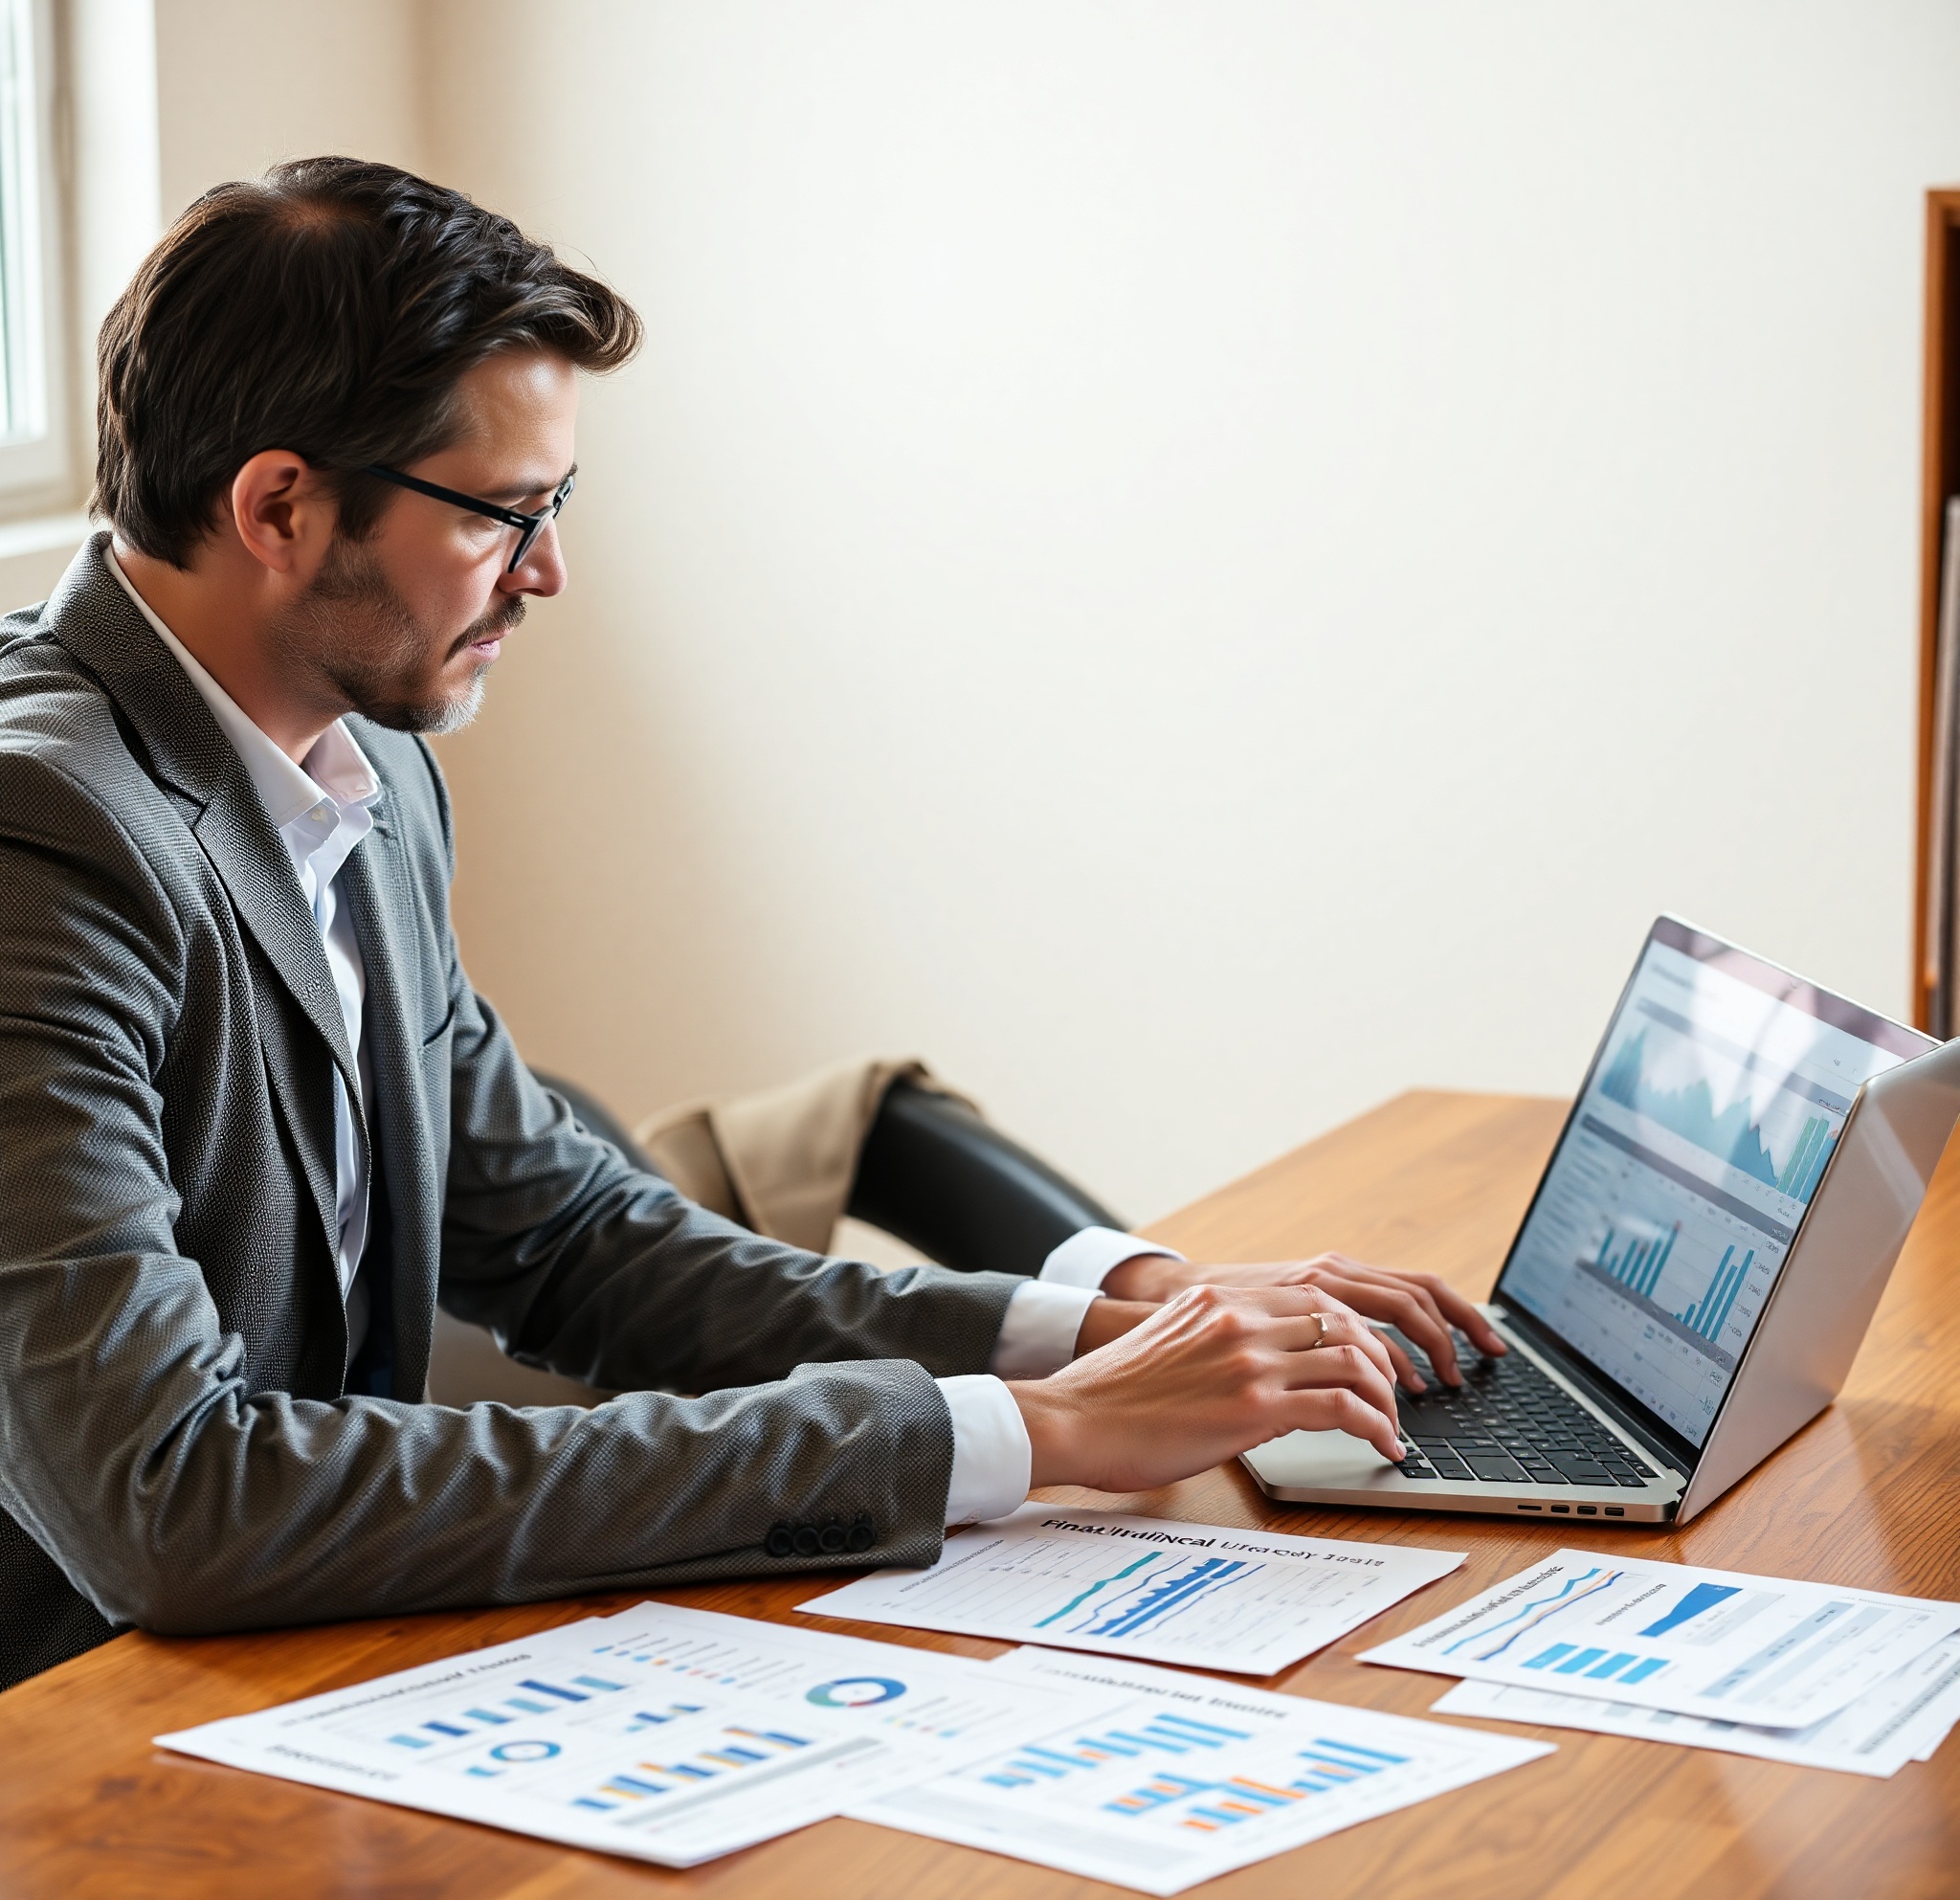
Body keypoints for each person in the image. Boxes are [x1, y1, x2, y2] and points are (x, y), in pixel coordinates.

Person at [0, 158, 1503, 1691]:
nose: (549, 571)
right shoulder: (40, 839)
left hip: (288, 1681)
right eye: (505, 515)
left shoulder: (360, 766)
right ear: (279, 507)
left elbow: (568, 1241)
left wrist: (1103, 1326)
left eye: (556, 505)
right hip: (71, 1735)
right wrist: (1026, 1433)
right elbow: (171, 1501)